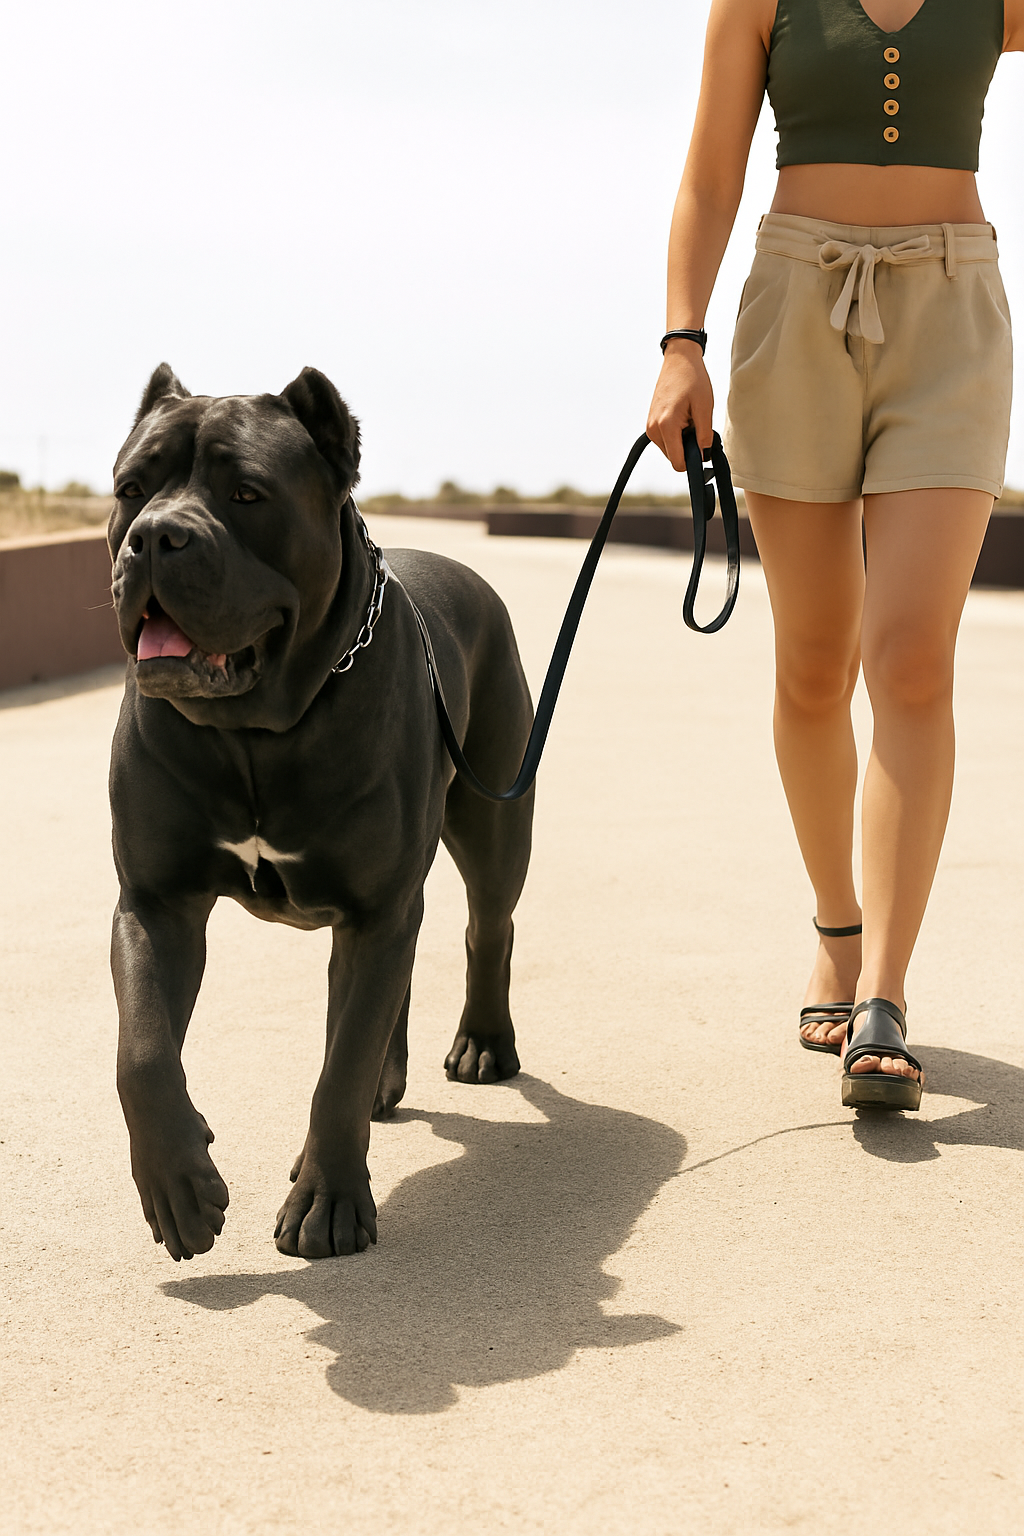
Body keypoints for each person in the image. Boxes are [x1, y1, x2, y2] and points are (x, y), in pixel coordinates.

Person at [647, 0, 1024, 1111]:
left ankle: (884, 997)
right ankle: (837, 924)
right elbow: (711, 175)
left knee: (910, 659)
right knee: (813, 664)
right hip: (792, 307)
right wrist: (681, 344)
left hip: (950, 313)